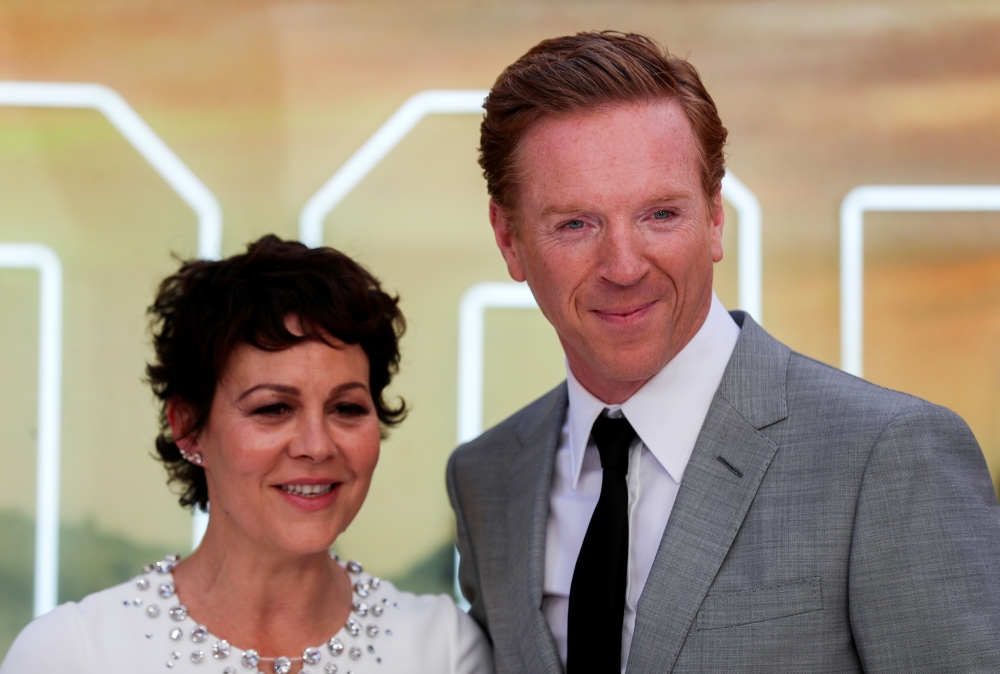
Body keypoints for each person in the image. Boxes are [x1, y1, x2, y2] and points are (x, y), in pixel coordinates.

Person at [447, 31, 1000, 674]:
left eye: (660, 214)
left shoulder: (888, 456)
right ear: (508, 239)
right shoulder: (487, 479)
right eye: (575, 223)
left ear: (714, 216)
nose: (624, 267)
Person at [2, 235, 492, 674]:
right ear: (188, 427)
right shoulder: (72, 654)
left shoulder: (444, 651)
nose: (317, 446)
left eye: (346, 408)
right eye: (274, 408)